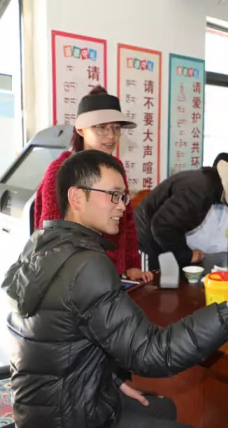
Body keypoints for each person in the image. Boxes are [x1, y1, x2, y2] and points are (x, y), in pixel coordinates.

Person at [2, 150, 228, 428]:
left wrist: (112, 379)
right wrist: (227, 311)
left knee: (164, 407)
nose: (123, 207)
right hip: (70, 420)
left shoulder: (40, 244)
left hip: (45, 409)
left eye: (123, 197)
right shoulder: (86, 264)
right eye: (113, 195)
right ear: (76, 197)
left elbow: (63, 342)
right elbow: (152, 353)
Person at [34, 85, 152, 282]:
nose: (111, 136)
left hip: (110, 273)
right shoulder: (60, 170)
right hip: (73, 275)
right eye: (101, 128)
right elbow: (51, 233)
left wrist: (132, 264)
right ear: (81, 130)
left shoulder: (115, 168)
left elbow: (127, 221)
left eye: (116, 128)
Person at [134, 159, 228, 270]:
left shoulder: (207, 182)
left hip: (159, 241)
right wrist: (186, 255)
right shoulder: (199, 192)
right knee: (150, 286)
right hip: (146, 240)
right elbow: (162, 226)